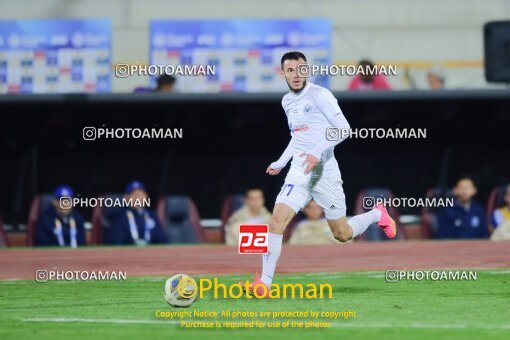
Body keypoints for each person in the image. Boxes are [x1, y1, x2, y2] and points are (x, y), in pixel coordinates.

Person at [241, 51, 397, 296]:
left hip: (325, 172)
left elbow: (344, 129)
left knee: (342, 234)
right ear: (282, 73)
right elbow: (297, 137)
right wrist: (281, 161)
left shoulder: (321, 95)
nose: (295, 74)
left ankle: (377, 214)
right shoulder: (286, 102)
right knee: (275, 222)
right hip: (298, 173)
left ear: (307, 70)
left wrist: (316, 152)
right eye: (290, 70)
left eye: (300, 69)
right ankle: (265, 283)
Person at [109, 181, 169, 245]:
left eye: (141, 194)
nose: (138, 198)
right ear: (126, 197)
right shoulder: (120, 217)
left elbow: (163, 241)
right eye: (134, 194)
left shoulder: (152, 216)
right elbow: (116, 244)